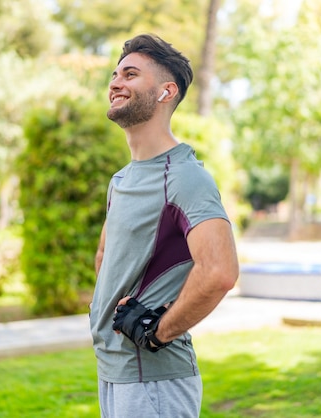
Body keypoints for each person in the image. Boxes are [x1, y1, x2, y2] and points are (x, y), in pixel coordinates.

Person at [90, 33, 239, 418]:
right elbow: (106, 257)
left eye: (131, 74)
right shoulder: (121, 179)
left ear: (165, 92)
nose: (115, 82)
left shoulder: (185, 177)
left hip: (154, 382)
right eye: (115, 74)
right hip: (114, 371)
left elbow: (220, 271)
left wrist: (159, 331)